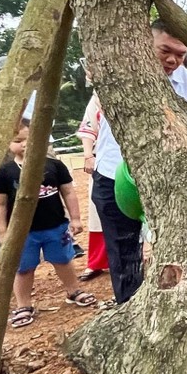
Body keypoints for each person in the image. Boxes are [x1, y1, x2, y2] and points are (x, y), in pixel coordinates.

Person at [92, 18, 187, 304]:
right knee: (123, 252)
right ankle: (130, 309)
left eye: (181, 54)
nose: (173, 60)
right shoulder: (121, 72)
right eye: (165, 50)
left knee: (170, 246)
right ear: (146, 41)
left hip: (166, 180)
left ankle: (168, 306)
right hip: (113, 174)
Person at [0, 126, 96, 328]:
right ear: (9, 144)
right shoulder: (5, 173)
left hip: (55, 227)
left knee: (63, 260)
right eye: (18, 140)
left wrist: (75, 219)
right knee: (23, 268)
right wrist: (2, 232)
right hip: (22, 233)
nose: (24, 143)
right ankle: (23, 305)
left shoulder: (54, 166)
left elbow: (68, 192)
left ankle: (73, 290)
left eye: (28, 138)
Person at [76, 85, 109, 282]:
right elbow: (89, 128)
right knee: (99, 210)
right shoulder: (97, 95)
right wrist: (88, 155)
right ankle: (97, 261)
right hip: (103, 159)